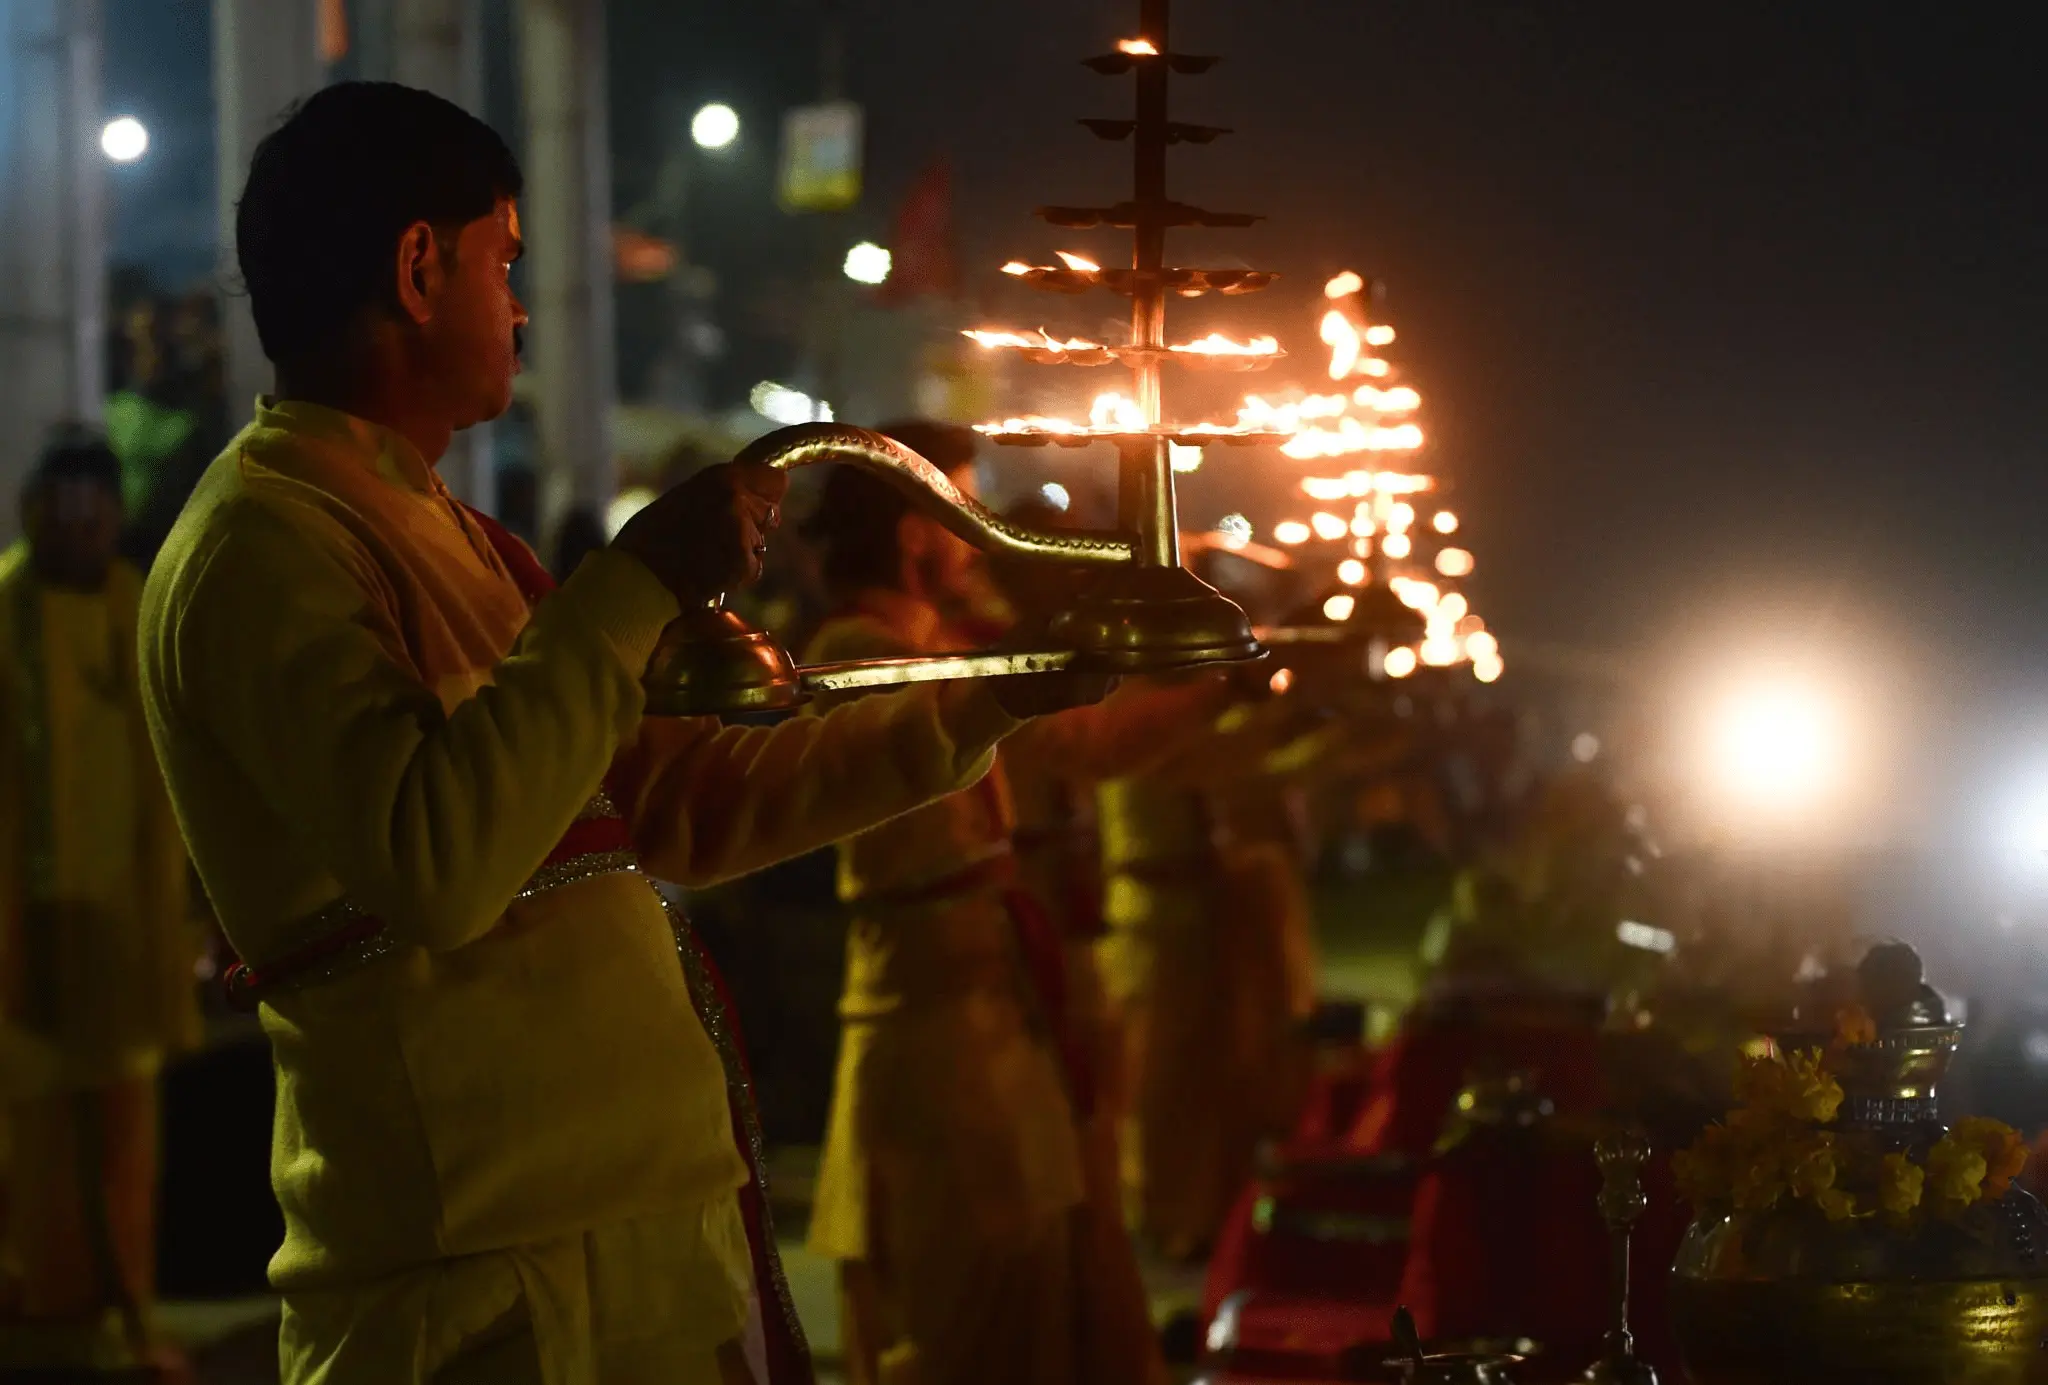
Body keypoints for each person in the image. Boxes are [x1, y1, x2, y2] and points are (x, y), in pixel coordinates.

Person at [138, 83, 1089, 1385]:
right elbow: (436, 862)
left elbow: (682, 803)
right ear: (421, 268)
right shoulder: (259, 547)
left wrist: (995, 697)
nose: (523, 308)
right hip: (485, 1282)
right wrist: (636, 583)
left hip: (633, 1244)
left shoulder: (460, 539)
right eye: (506, 261)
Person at [800, 456, 1171, 1385]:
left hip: (990, 1005)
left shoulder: (940, 646)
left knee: (1036, 1276)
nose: (978, 531)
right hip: (931, 1016)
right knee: (962, 1307)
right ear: (912, 530)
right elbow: (1065, 748)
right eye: (954, 502)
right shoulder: (859, 646)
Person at [0, 430, 201, 1372]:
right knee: (34, 1135)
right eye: (61, 511)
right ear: (30, 511)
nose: (78, 530)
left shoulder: (142, 610)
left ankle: (127, 1316)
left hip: (124, 925)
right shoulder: (5, 613)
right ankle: (51, 1321)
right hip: (19, 931)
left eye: (95, 514)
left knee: (125, 1144)